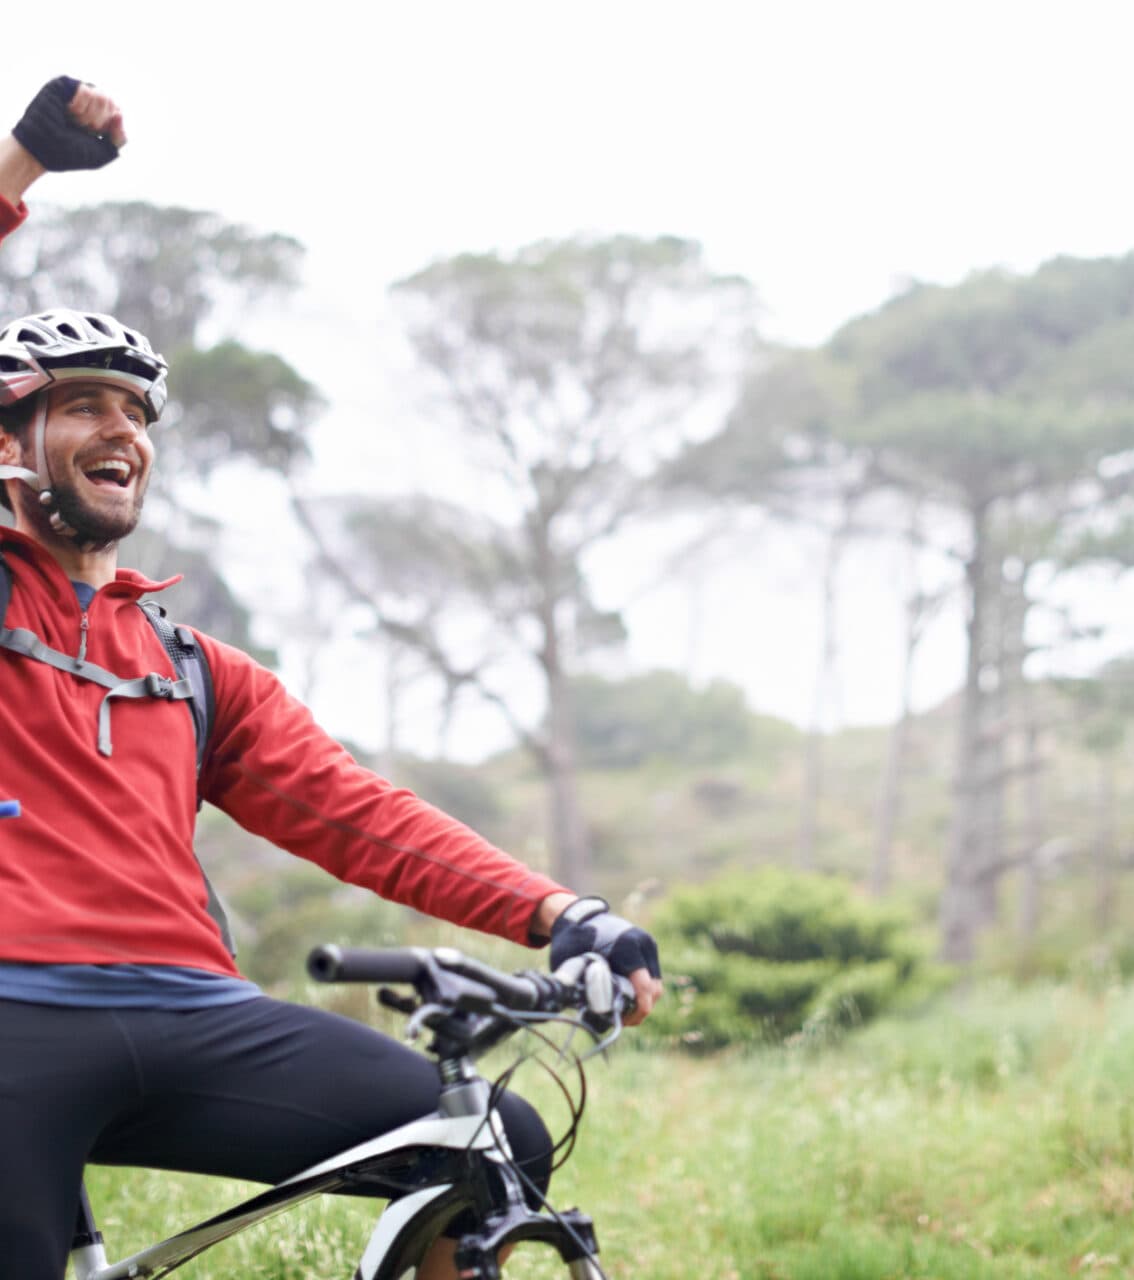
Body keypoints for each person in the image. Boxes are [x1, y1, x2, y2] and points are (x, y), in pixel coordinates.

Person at [0, 77, 662, 1280]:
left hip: (188, 1007)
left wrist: (563, 913)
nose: (122, 430)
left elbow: (361, 815)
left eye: (136, 411)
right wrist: (17, 168)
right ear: (6, 441)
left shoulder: (193, 669)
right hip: (7, 1014)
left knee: (489, 1140)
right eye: (81, 404)